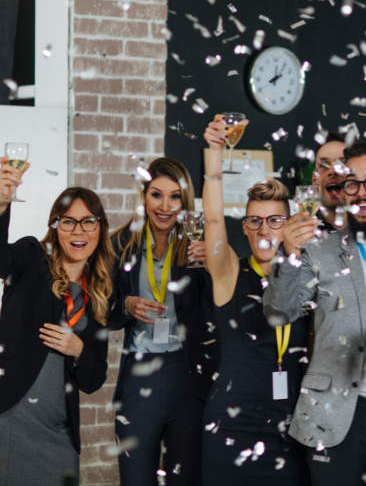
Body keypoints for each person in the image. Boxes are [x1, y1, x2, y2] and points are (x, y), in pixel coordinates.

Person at [263, 142, 366, 486]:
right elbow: (278, 313)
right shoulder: (317, 249)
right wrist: (289, 252)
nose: (363, 193)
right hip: (336, 415)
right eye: (352, 184)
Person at [200, 114, 309, 485]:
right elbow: (213, 220)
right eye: (254, 221)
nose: (264, 229)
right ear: (244, 227)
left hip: (289, 430)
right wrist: (215, 154)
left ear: (289, 225)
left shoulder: (306, 277)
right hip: (231, 429)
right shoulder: (230, 271)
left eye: (275, 220)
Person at [0, 160, 113, 485]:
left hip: (59, 431)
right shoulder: (31, 256)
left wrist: (79, 349)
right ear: (55, 226)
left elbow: (93, 380)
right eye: (68, 222)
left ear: (100, 227)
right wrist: (2, 202)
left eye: (88, 222)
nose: (79, 232)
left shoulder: (99, 292)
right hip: (9, 416)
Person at [109, 158, 218, 486]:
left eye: (175, 197)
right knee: (135, 478)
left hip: (189, 377)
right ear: (143, 196)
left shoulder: (201, 248)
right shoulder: (119, 244)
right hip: (140, 379)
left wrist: (215, 266)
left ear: (185, 202)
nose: (166, 206)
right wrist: (125, 305)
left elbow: (220, 312)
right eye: (157, 195)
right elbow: (103, 313)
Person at [313, 131, 346, 233]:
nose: (332, 171)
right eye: (324, 165)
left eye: (341, 165)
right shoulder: (299, 237)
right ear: (314, 179)